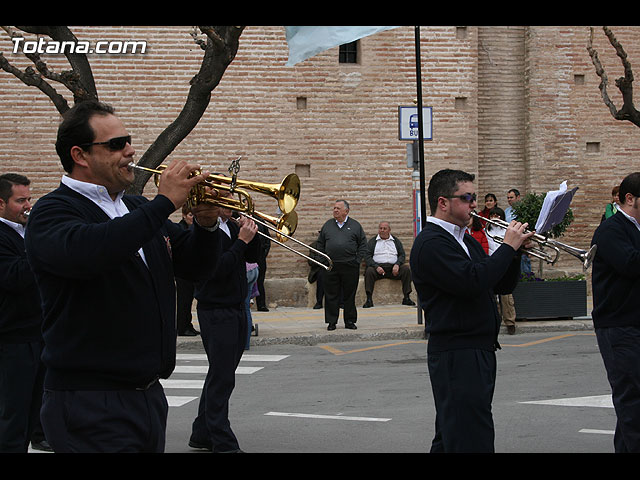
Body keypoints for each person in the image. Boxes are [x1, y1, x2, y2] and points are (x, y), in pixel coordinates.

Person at [24, 100, 221, 453]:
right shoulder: (52, 212)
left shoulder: (135, 208)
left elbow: (194, 268)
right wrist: (165, 202)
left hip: (145, 396)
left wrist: (206, 226)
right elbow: (95, 251)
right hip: (88, 399)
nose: (130, 151)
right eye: (116, 144)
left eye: (128, 141)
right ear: (80, 155)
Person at [409, 169, 533, 453]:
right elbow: (473, 281)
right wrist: (508, 247)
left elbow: (499, 283)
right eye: (467, 198)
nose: (475, 204)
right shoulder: (431, 243)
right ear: (443, 202)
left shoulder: (462, 239)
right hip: (458, 352)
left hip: (476, 350)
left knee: (454, 436)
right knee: (471, 438)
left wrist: (514, 253)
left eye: (474, 197)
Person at [189, 199, 260, 453]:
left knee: (221, 373)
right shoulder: (202, 231)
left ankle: (202, 432)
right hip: (216, 310)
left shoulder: (230, 226)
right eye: (223, 200)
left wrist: (255, 232)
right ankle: (222, 441)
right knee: (222, 377)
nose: (231, 204)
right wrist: (241, 241)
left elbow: (253, 256)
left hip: (236, 306)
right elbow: (216, 270)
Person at [590, 172, 640, 453]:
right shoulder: (611, 229)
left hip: (633, 323)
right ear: (630, 199)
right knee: (632, 399)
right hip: (619, 326)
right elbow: (630, 263)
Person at [0, 173, 49, 453]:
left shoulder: (26, 232)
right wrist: (40, 244)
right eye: (20, 200)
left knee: (35, 407)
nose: (28, 205)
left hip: (37, 331)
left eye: (29, 198)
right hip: (12, 338)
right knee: (13, 413)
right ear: (1, 204)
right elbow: (15, 277)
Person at [316, 199, 367, 331]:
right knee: (331, 295)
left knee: (349, 295)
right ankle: (331, 322)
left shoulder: (355, 225)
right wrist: (323, 260)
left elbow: (363, 244)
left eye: (338, 208)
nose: (335, 210)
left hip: (350, 265)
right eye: (334, 208)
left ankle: (349, 321)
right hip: (331, 266)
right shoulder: (327, 225)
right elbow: (320, 244)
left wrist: (357, 260)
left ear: (346, 211)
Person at [362, 221, 415, 308]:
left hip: (393, 268)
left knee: (406, 270)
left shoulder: (395, 241)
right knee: (369, 271)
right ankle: (369, 299)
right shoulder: (373, 241)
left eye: (384, 228)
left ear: (389, 230)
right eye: (380, 228)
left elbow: (402, 255)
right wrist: (376, 266)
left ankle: (406, 297)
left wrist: (397, 264)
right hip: (378, 269)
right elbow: (367, 256)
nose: (382, 230)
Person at [485, 206, 517, 334]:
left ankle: (510, 322)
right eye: (492, 215)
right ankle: (495, 320)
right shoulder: (486, 230)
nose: (495, 218)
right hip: (490, 263)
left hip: (505, 264)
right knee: (492, 296)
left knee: (506, 297)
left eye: (498, 216)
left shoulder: (507, 231)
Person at [176, 204, 199, 336]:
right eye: (190, 215)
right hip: (183, 272)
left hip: (190, 270)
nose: (192, 218)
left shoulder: (192, 228)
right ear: (184, 216)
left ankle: (187, 324)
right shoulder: (181, 228)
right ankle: (182, 327)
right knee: (184, 299)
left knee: (189, 299)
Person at [254, 222, 271, 311]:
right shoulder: (236, 217)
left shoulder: (260, 221)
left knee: (260, 281)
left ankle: (261, 305)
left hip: (259, 256)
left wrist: (263, 254)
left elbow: (267, 239)